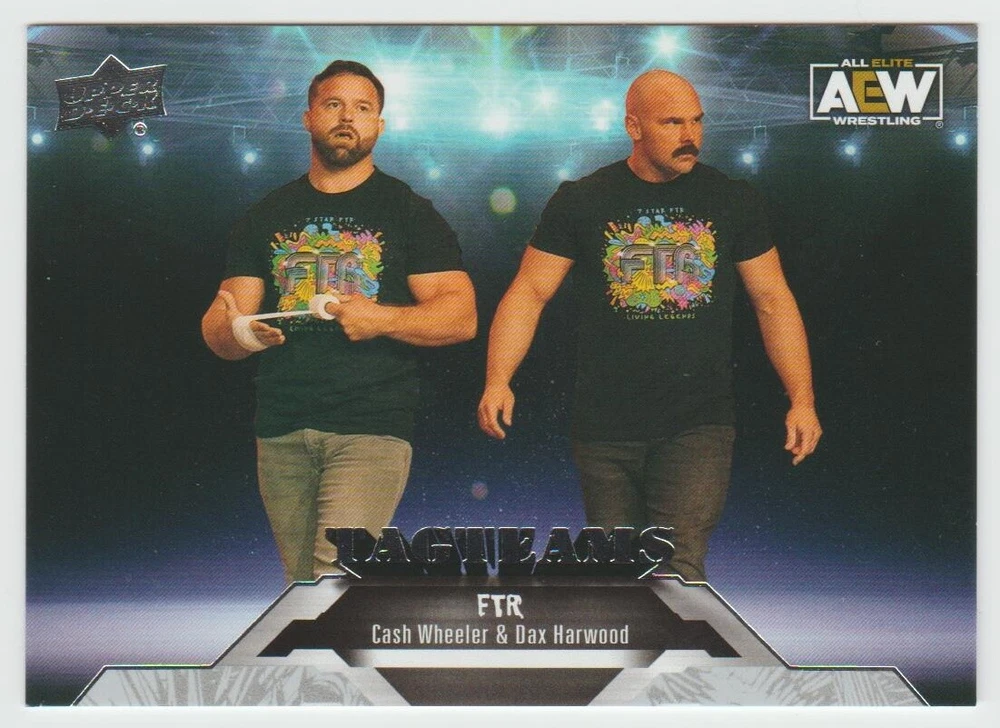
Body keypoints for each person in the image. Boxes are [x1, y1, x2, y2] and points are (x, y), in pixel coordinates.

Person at [477, 70, 821, 582]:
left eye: (697, 122)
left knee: (676, 569)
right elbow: (529, 292)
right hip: (604, 427)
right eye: (673, 123)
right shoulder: (583, 199)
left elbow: (772, 299)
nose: (690, 136)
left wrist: (802, 399)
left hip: (697, 422)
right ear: (633, 127)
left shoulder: (731, 199)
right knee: (618, 577)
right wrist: (498, 379)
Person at [202, 60, 476, 582]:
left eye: (363, 108)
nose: (347, 117)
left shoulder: (409, 211)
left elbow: (461, 316)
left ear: (380, 125)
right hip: (282, 427)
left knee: (335, 576)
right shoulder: (266, 215)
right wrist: (239, 333)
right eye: (334, 105)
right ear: (308, 117)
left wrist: (380, 319)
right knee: (305, 587)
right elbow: (222, 321)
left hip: (369, 428)